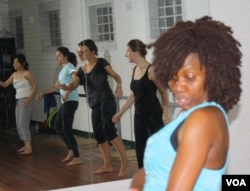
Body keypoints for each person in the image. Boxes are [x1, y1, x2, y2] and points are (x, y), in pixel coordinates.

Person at [129, 16, 242, 191]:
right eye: (173, 78)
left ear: (212, 75)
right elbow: (151, 170)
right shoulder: (189, 115)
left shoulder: (204, 118)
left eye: (189, 77)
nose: (177, 87)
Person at [62, 39, 128, 177]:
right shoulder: (82, 70)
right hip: (94, 103)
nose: (81, 54)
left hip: (106, 100)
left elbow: (116, 76)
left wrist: (119, 85)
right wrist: (67, 88)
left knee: (109, 131)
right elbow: (75, 83)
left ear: (92, 51)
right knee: (98, 134)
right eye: (80, 52)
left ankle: (125, 163)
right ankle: (108, 165)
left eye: (85, 51)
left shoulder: (101, 62)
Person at [112, 39, 170, 169]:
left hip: (153, 116)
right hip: (139, 116)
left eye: (128, 51)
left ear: (135, 53)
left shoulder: (152, 70)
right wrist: (120, 112)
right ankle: (143, 178)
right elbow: (134, 94)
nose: (125, 54)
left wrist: (165, 112)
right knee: (141, 149)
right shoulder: (134, 70)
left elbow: (164, 93)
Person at [37, 47, 82, 166]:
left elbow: (76, 79)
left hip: (71, 101)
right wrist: (43, 92)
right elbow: (55, 86)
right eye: (56, 56)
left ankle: (77, 156)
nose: (57, 58)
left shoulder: (70, 66)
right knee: (57, 126)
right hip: (65, 102)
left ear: (66, 56)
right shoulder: (62, 70)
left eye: (59, 56)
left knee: (66, 128)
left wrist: (67, 92)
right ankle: (71, 150)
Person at [0, 54, 37, 155]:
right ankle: (25, 145)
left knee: (22, 123)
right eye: (14, 63)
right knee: (18, 124)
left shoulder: (27, 74)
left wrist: (29, 99)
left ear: (23, 63)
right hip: (18, 101)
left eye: (17, 62)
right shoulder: (14, 75)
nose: (15, 64)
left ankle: (29, 147)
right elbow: (4, 84)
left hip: (26, 100)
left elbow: (34, 87)